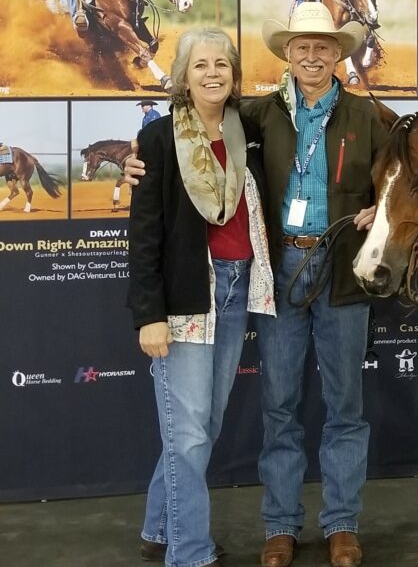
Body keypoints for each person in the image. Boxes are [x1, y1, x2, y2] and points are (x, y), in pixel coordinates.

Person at [125, 2, 385, 567]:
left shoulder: (370, 118)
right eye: (301, 46)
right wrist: (135, 160)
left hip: (338, 270)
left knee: (345, 406)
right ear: (287, 53)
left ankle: (341, 523)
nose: (312, 55)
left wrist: (381, 207)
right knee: (277, 404)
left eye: (324, 46)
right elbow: (180, 140)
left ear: (339, 53)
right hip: (277, 272)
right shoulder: (258, 116)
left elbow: (408, 175)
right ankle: (280, 526)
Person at [128, 28, 277, 567]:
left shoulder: (249, 131)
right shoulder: (157, 141)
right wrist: (150, 316)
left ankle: (158, 527)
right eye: (200, 65)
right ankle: (188, 553)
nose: (213, 73)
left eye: (222, 64)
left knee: (202, 428)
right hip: (186, 297)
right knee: (189, 434)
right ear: (183, 76)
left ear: (235, 75)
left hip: (235, 290)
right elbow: (144, 238)